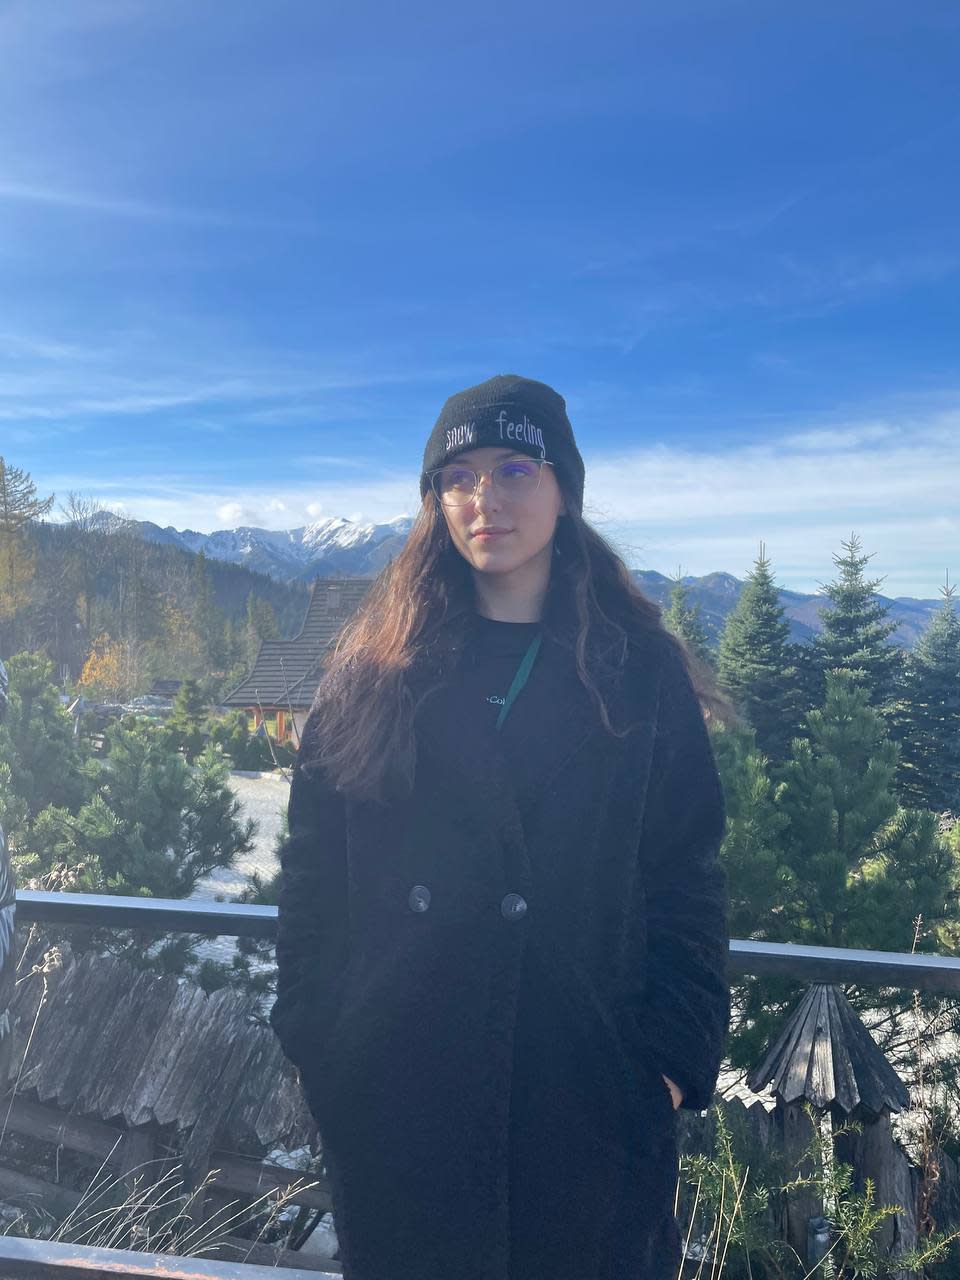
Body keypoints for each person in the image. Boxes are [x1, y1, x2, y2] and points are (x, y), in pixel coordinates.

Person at [270, 374, 731, 1280]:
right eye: (461, 475)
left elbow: (687, 877)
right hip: (402, 1098)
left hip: (588, 1100)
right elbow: (311, 874)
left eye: (517, 468)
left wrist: (667, 1068)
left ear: (566, 491)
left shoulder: (640, 675)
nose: (486, 499)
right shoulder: (371, 674)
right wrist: (323, 1041)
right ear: (435, 500)